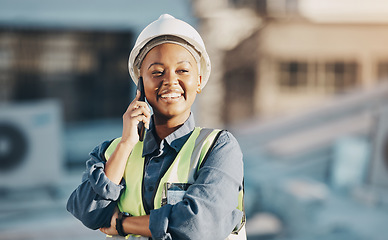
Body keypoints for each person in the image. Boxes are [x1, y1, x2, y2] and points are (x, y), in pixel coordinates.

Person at [66, 14, 246, 240]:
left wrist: (123, 223)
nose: (170, 80)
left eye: (182, 71)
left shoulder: (218, 148)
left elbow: (199, 226)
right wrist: (126, 144)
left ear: (198, 81)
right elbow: (88, 213)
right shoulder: (111, 152)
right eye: (157, 72)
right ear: (140, 83)